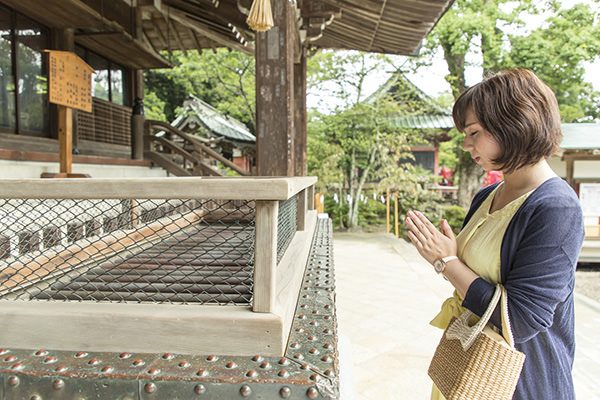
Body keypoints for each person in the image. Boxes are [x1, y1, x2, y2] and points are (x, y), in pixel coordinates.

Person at [404, 68, 584, 400]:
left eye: (474, 132)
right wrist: (448, 257)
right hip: (469, 368)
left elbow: (520, 320)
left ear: (514, 124)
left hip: (518, 383)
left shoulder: (556, 208)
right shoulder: (488, 195)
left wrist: (446, 262)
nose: (466, 144)